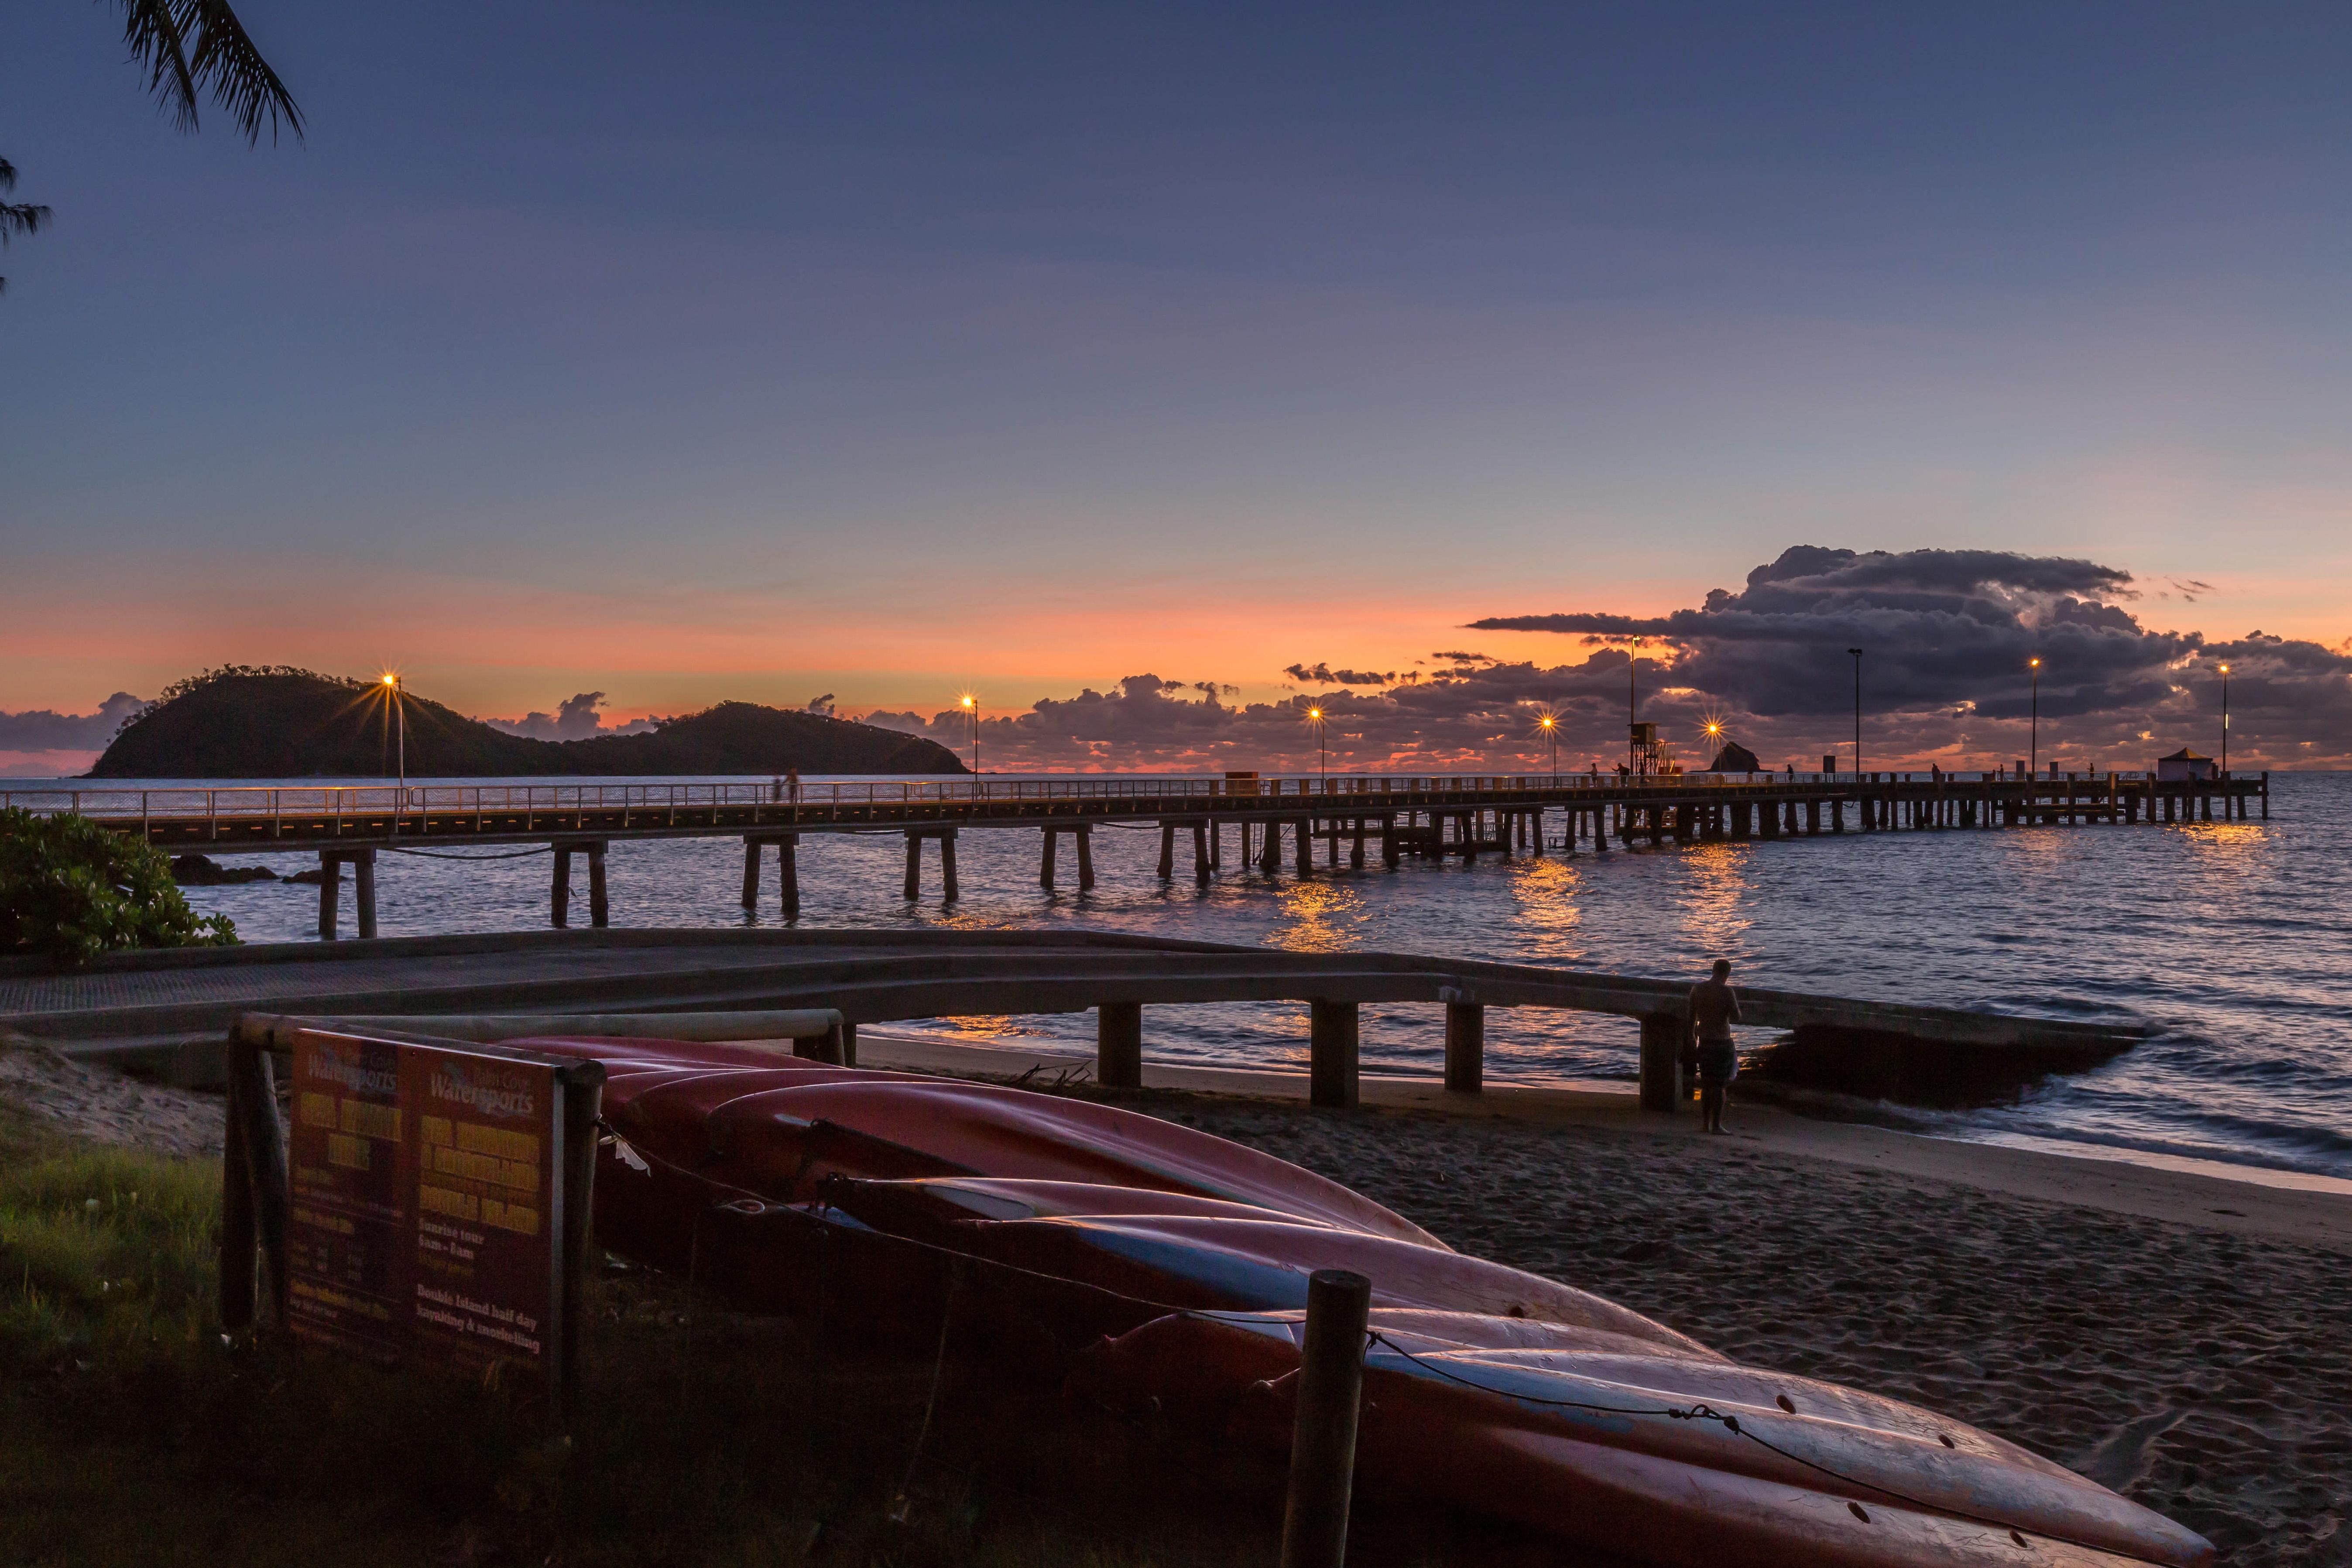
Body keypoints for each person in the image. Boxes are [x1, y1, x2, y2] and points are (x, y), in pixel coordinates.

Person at [1688, 958, 1742, 1135]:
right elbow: (1736, 1017)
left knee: (1706, 1083)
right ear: (1727, 974)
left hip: (1704, 1041)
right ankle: (1717, 1125)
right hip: (1722, 1042)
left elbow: (1691, 1019)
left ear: (1713, 970)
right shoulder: (1728, 992)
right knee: (1720, 1085)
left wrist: (1691, 1040)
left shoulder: (1697, 989)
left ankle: (1705, 1124)